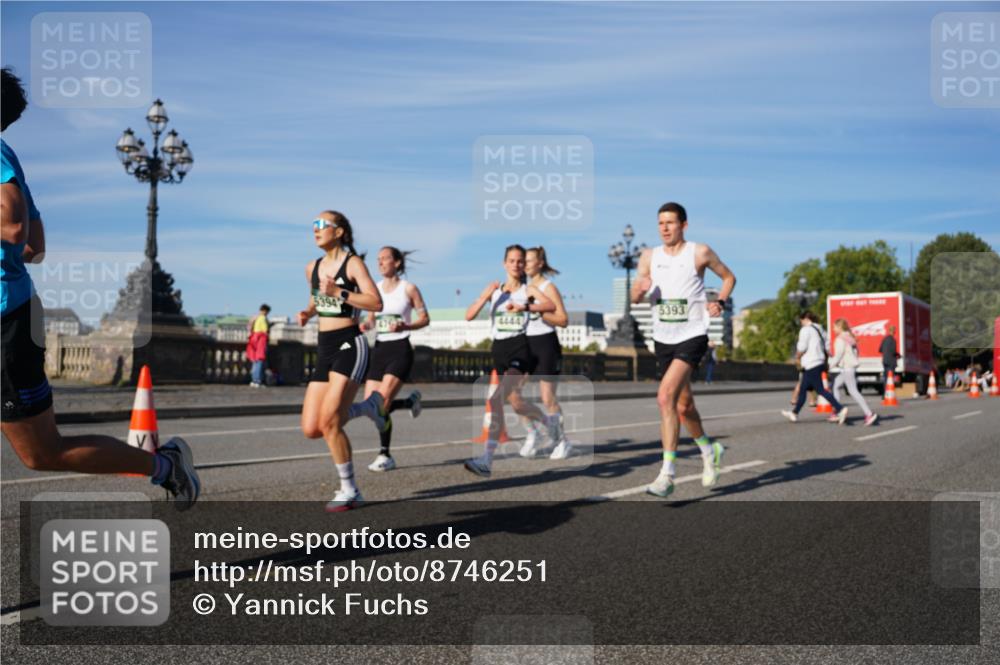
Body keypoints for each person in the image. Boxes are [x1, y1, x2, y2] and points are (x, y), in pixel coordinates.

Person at [0, 67, 199, 509]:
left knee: (42, 453)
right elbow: (37, 246)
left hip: (6, 323)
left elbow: (15, 230)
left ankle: (164, 467)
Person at [631, 202, 734, 498]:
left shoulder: (699, 252)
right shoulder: (649, 256)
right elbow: (635, 297)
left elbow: (729, 277)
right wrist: (638, 290)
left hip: (693, 334)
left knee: (664, 396)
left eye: (670, 223)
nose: (664, 228)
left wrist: (721, 302)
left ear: (684, 225)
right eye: (660, 223)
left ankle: (667, 474)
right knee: (682, 406)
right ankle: (709, 449)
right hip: (663, 338)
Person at [297, 210, 382, 511]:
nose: (316, 229)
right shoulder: (313, 267)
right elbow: (318, 299)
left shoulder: (353, 264)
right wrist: (308, 312)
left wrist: (341, 291)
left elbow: (375, 302)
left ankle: (350, 490)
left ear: (340, 231)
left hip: (350, 343)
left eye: (322, 224)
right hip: (325, 347)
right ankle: (370, 407)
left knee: (330, 421)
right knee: (311, 428)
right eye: (314, 225)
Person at [463, 244, 555, 477]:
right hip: (499, 353)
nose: (516, 265)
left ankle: (486, 460)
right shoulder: (495, 291)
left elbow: (550, 305)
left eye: (520, 261)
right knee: (515, 403)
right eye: (512, 261)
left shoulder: (528, 289)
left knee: (495, 401)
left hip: (520, 351)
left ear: (524, 265)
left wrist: (524, 306)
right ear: (505, 264)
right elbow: (469, 315)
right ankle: (547, 422)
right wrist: (485, 296)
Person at [349, 246, 428, 472]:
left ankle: (385, 454)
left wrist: (406, 324)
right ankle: (409, 402)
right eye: (378, 260)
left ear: (397, 263)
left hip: (400, 348)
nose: (380, 263)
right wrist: (365, 325)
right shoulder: (375, 290)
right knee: (370, 405)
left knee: (381, 404)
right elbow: (372, 319)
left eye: (385, 259)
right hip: (380, 348)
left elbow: (425, 318)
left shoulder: (409, 288)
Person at [520, 246, 572, 460]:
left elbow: (563, 319)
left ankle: (562, 441)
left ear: (539, 263)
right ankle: (533, 434)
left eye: (529, 260)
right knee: (515, 394)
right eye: (523, 260)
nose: (524, 264)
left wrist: (540, 312)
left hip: (545, 344)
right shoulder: (522, 288)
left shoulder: (548, 287)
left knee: (547, 397)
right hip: (524, 344)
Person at [782, 311, 848, 424]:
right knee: (803, 389)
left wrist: (797, 356)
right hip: (820, 362)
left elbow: (802, 347)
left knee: (820, 390)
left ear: (806, 319)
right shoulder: (821, 330)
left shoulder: (806, 330)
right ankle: (794, 413)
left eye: (801, 321)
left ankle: (840, 409)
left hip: (811, 363)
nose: (801, 323)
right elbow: (827, 346)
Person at [830, 319, 878, 426]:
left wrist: (829, 365)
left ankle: (869, 414)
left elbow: (838, 355)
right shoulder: (850, 337)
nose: (833, 329)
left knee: (853, 391)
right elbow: (856, 352)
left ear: (839, 327)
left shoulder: (840, 339)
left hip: (847, 368)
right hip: (850, 367)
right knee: (836, 385)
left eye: (834, 327)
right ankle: (837, 411)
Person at [246, 303, 271, 387]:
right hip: (260, 341)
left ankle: (253, 380)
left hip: (253, 340)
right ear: (265, 311)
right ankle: (258, 381)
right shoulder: (263, 318)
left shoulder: (255, 318)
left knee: (255, 362)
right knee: (259, 362)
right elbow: (264, 330)